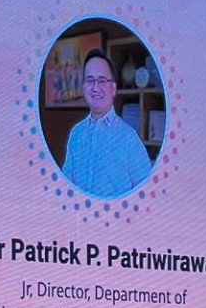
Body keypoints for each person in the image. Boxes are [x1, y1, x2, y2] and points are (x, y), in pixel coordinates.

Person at [59, 49, 152, 197]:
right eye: (90, 80)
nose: (95, 88)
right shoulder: (77, 133)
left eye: (102, 80)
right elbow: (66, 182)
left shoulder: (129, 138)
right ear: (83, 87)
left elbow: (146, 193)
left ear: (113, 88)